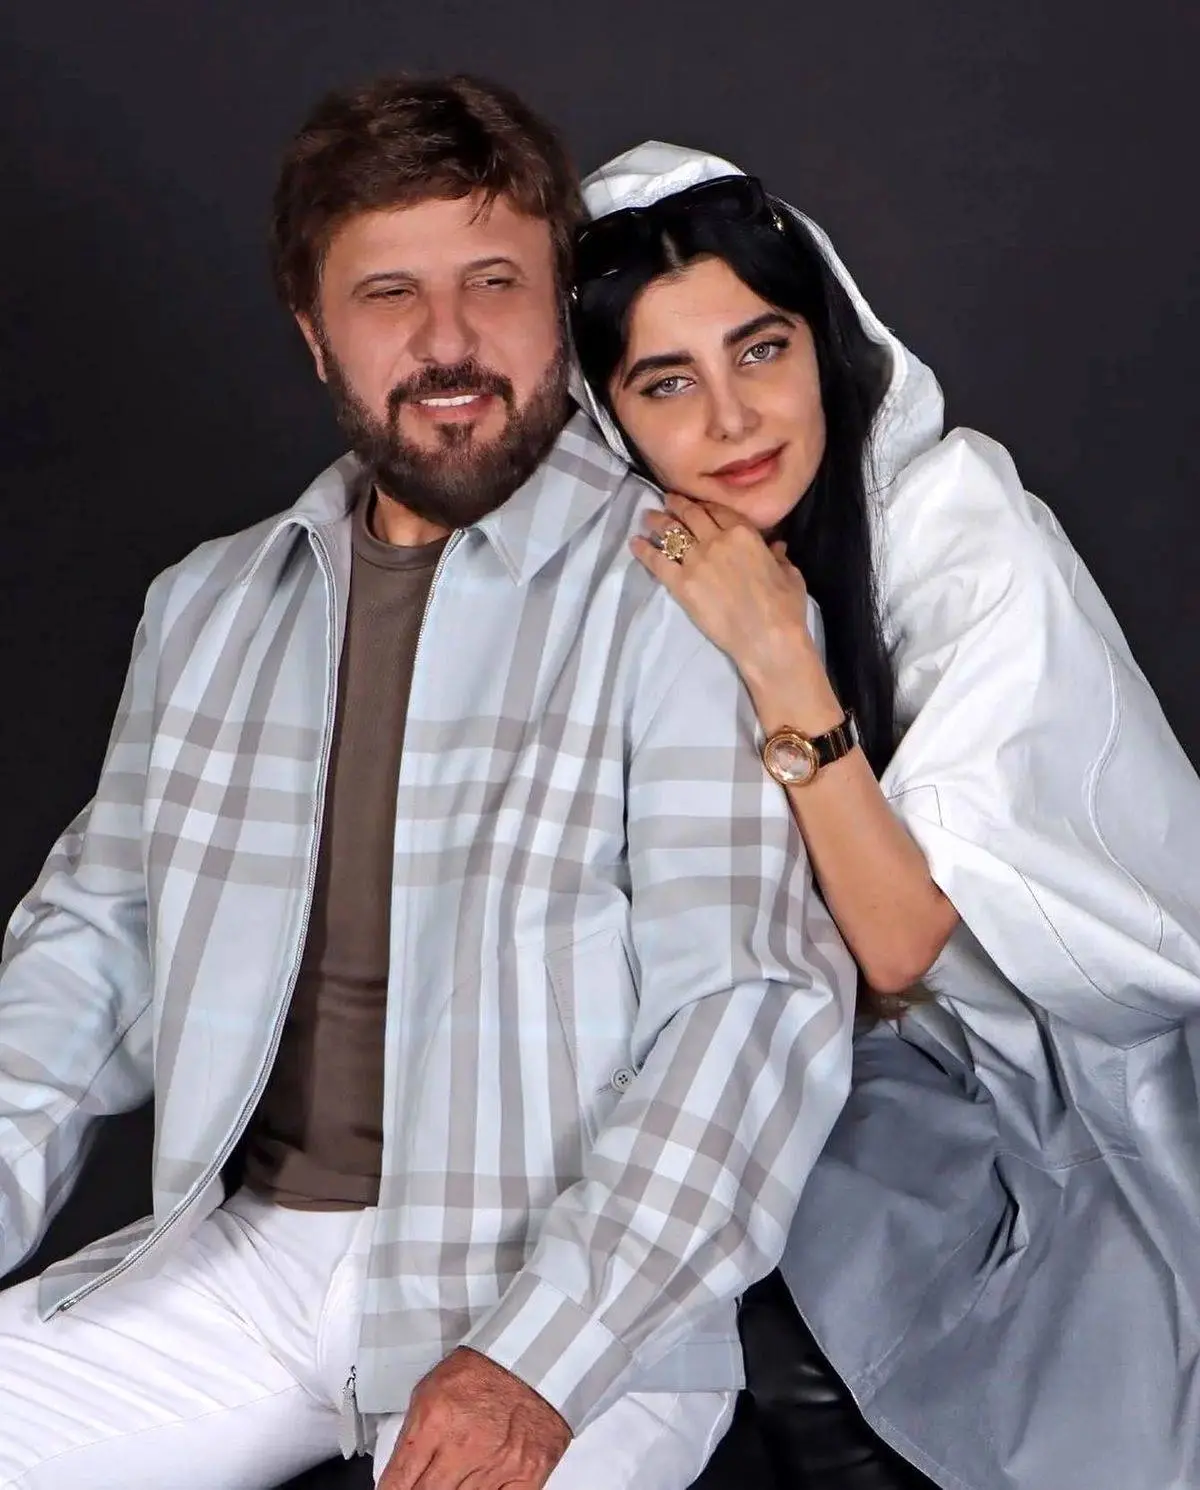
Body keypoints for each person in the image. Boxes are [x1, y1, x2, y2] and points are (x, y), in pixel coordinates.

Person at [0, 87, 860, 1490]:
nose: (449, 340)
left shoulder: (687, 586)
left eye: (494, 282)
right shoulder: (208, 607)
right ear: (314, 330)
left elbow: (748, 1014)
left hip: (569, 1290)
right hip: (246, 1269)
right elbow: (89, 959)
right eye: (389, 292)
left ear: (556, 306)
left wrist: (542, 1354)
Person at [569, 140, 1200, 1490]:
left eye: (762, 349)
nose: (734, 419)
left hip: (1060, 1057)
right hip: (825, 1054)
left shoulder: (954, 517)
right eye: (668, 382)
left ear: (825, 341)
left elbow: (907, 941)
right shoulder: (643, 568)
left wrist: (778, 656)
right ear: (610, 414)